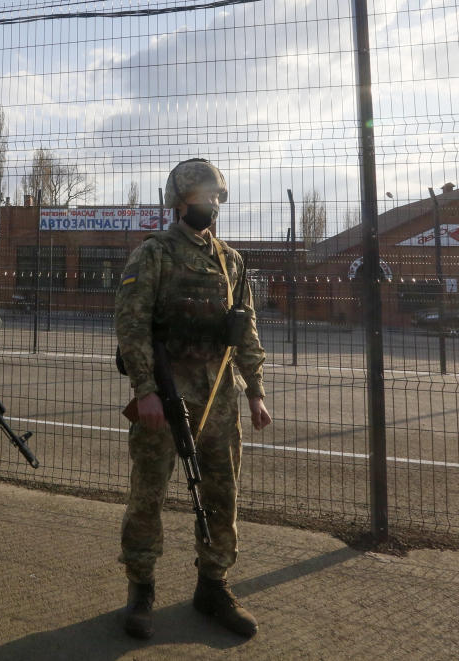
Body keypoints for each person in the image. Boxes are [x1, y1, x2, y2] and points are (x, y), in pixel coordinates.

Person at [114, 158, 272, 640]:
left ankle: (214, 585)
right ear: (181, 201)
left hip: (220, 397)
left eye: (219, 197)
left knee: (222, 495)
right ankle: (141, 590)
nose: (214, 205)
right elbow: (132, 326)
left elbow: (244, 330)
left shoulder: (231, 260)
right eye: (207, 196)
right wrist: (145, 391)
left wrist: (256, 391)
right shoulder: (153, 254)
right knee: (149, 496)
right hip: (166, 396)